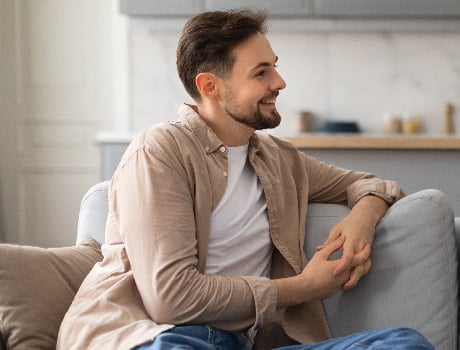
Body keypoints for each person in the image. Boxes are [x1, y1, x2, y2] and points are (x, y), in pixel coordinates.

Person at [57, 9, 433, 350]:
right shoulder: (160, 150)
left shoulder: (278, 159)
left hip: (249, 344)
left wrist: (360, 221)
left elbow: (372, 184)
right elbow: (170, 298)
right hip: (167, 336)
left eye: (275, 66)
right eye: (261, 72)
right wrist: (305, 287)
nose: (280, 82)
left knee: (405, 343)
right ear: (210, 87)